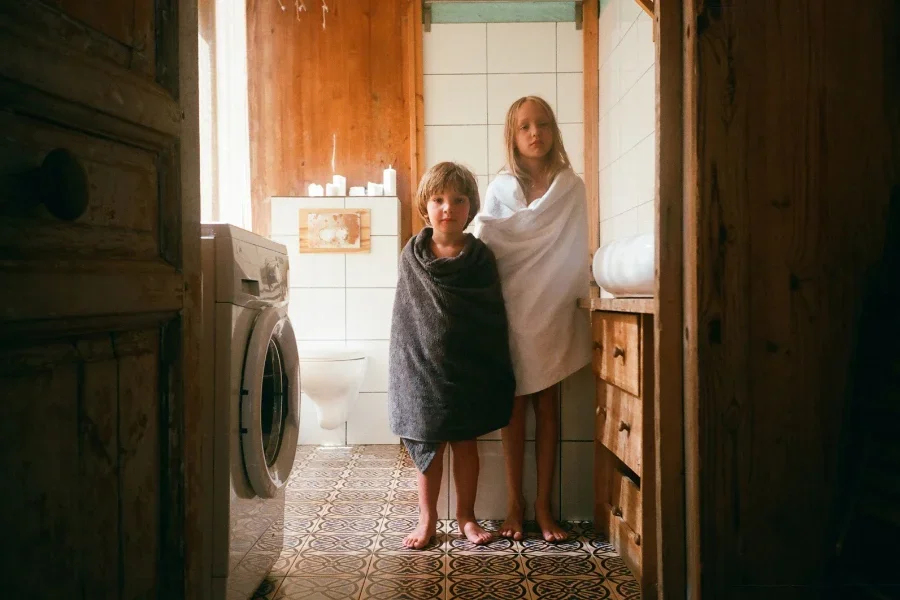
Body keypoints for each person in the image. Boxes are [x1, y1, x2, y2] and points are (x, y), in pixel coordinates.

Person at [471, 96, 592, 543]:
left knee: (548, 405)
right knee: (514, 406)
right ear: (513, 135)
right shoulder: (501, 187)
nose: (534, 133)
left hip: (554, 304)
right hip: (512, 304)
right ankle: (514, 506)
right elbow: (490, 241)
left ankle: (544, 507)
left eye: (542, 124)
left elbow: (573, 247)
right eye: (525, 126)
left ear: (554, 131)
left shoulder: (571, 187)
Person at [388, 161, 516, 549]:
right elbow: (406, 321)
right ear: (425, 206)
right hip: (422, 369)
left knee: (465, 443)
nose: (448, 208)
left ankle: (466, 516)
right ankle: (427, 520)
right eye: (439, 199)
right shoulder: (412, 255)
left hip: (469, 369)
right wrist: (411, 367)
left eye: (458, 200)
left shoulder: (480, 258)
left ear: (470, 207)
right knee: (427, 445)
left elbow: (490, 317)